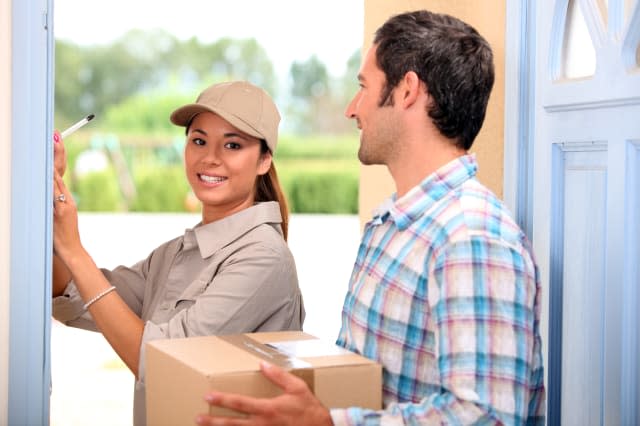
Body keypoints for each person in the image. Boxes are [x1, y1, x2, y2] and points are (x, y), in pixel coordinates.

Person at [195, 10, 545, 426]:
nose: (351, 108)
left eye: (364, 86)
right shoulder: (391, 226)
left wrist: (329, 423)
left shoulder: (471, 236)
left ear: (407, 91)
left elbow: (489, 416)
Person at [51, 80, 306, 426]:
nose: (210, 157)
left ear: (264, 160)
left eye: (232, 145)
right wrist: (51, 189)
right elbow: (73, 300)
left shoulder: (264, 258)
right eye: (199, 140)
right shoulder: (176, 254)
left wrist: (74, 249)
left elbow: (159, 363)